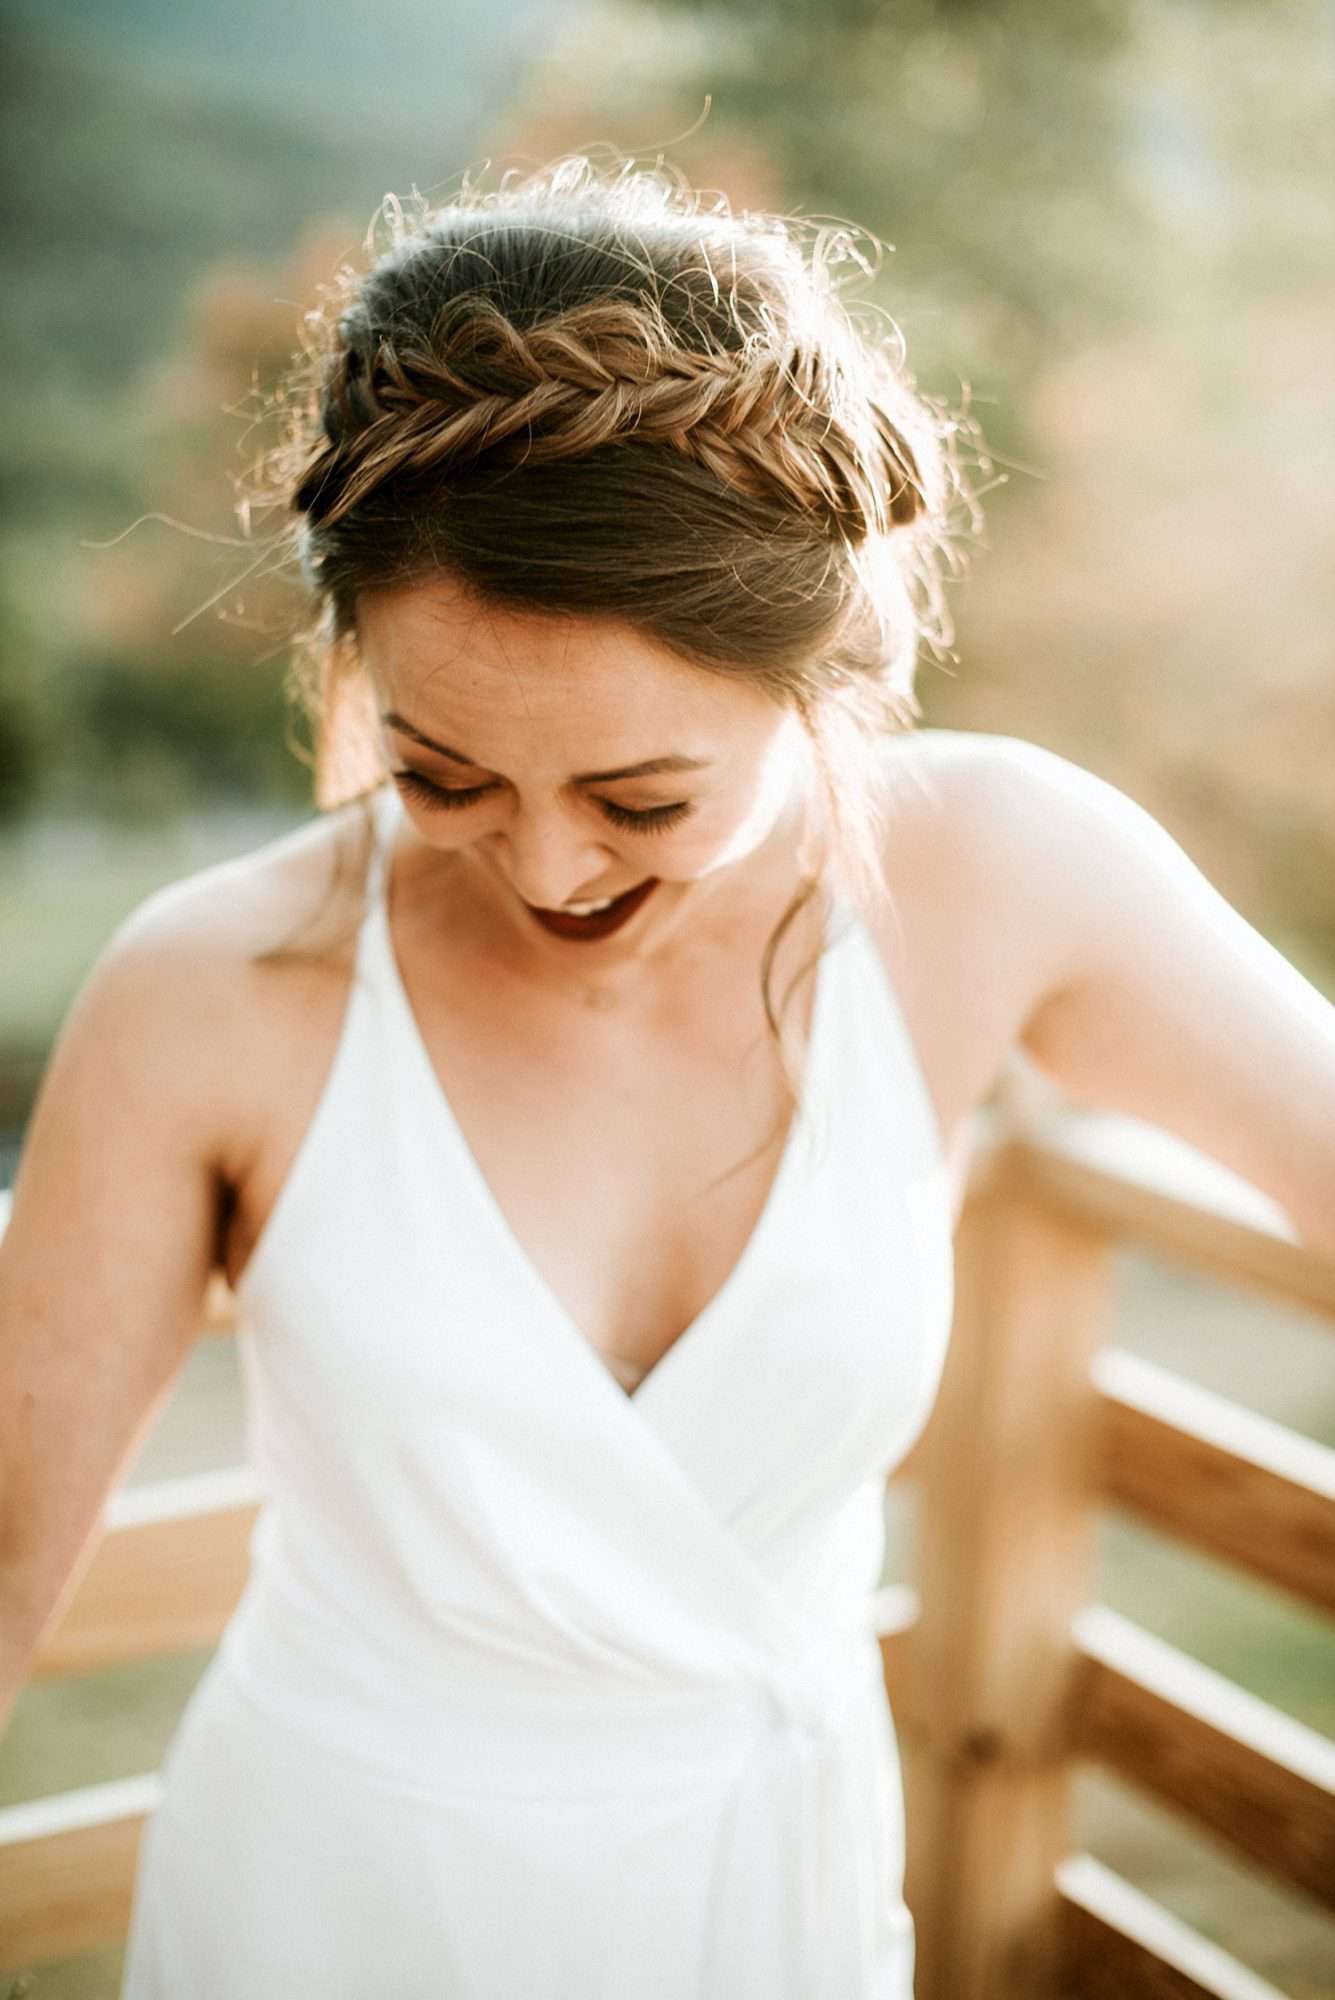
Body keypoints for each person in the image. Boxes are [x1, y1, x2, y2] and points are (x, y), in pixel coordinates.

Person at [3, 159, 1334, 2000]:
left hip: (770, 1899)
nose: (544, 868)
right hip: (332, 1905)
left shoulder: (1002, 868)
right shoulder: (210, 993)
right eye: (440, 773)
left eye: (642, 800)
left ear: (831, 674)